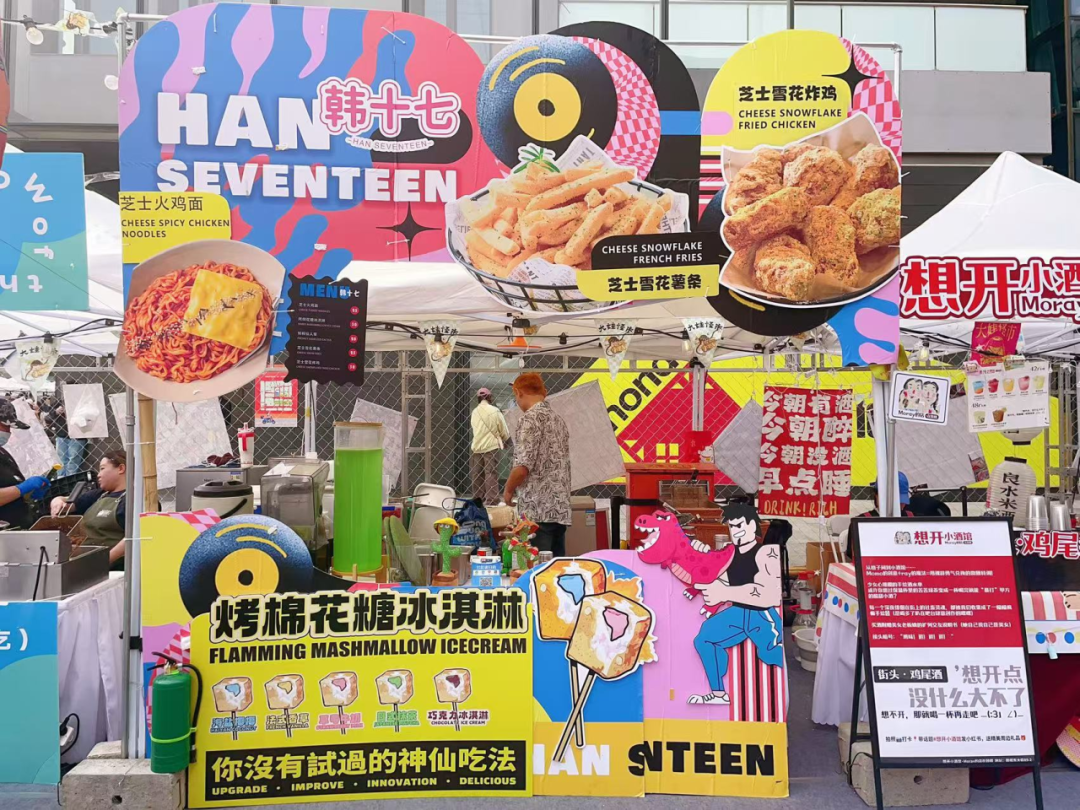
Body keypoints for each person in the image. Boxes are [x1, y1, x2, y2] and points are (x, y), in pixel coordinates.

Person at [689, 502, 784, 705]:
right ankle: (719, 694)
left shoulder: (766, 552)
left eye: (739, 525)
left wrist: (724, 592)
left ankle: (777, 702)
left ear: (752, 525)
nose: (735, 531)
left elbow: (770, 594)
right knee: (704, 638)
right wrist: (700, 555)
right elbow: (719, 579)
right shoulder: (731, 553)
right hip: (738, 612)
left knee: (771, 655)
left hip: (762, 615)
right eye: (732, 526)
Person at [503, 373, 571, 556]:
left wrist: (508, 490)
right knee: (555, 567)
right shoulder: (558, 420)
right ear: (544, 393)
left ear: (518, 393)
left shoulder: (528, 419)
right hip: (559, 509)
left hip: (537, 510)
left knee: (534, 566)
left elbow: (522, 466)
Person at [51, 450, 127, 569]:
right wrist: (57, 500)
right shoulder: (99, 494)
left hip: (112, 568)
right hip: (83, 561)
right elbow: (68, 504)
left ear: (121, 469)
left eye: (102, 468)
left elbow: (133, 538)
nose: (98, 475)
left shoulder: (132, 500)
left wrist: (105, 561)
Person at [0, 398, 51, 529]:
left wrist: (26, 493)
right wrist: (21, 489)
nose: (8, 432)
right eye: (5, 426)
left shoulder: (2, 452)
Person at [470, 387, 510, 504]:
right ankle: (492, 499)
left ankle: (478, 498)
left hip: (477, 446)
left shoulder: (475, 412)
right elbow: (503, 429)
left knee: (477, 473)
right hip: (491, 446)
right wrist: (505, 440)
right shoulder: (495, 411)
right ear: (489, 397)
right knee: (490, 473)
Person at [39, 394, 86, 477]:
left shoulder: (82, 400)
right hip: (62, 434)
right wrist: (56, 411)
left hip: (77, 434)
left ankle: (70, 478)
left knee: (73, 460)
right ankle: (61, 478)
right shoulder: (60, 401)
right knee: (61, 459)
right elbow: (50, 414)